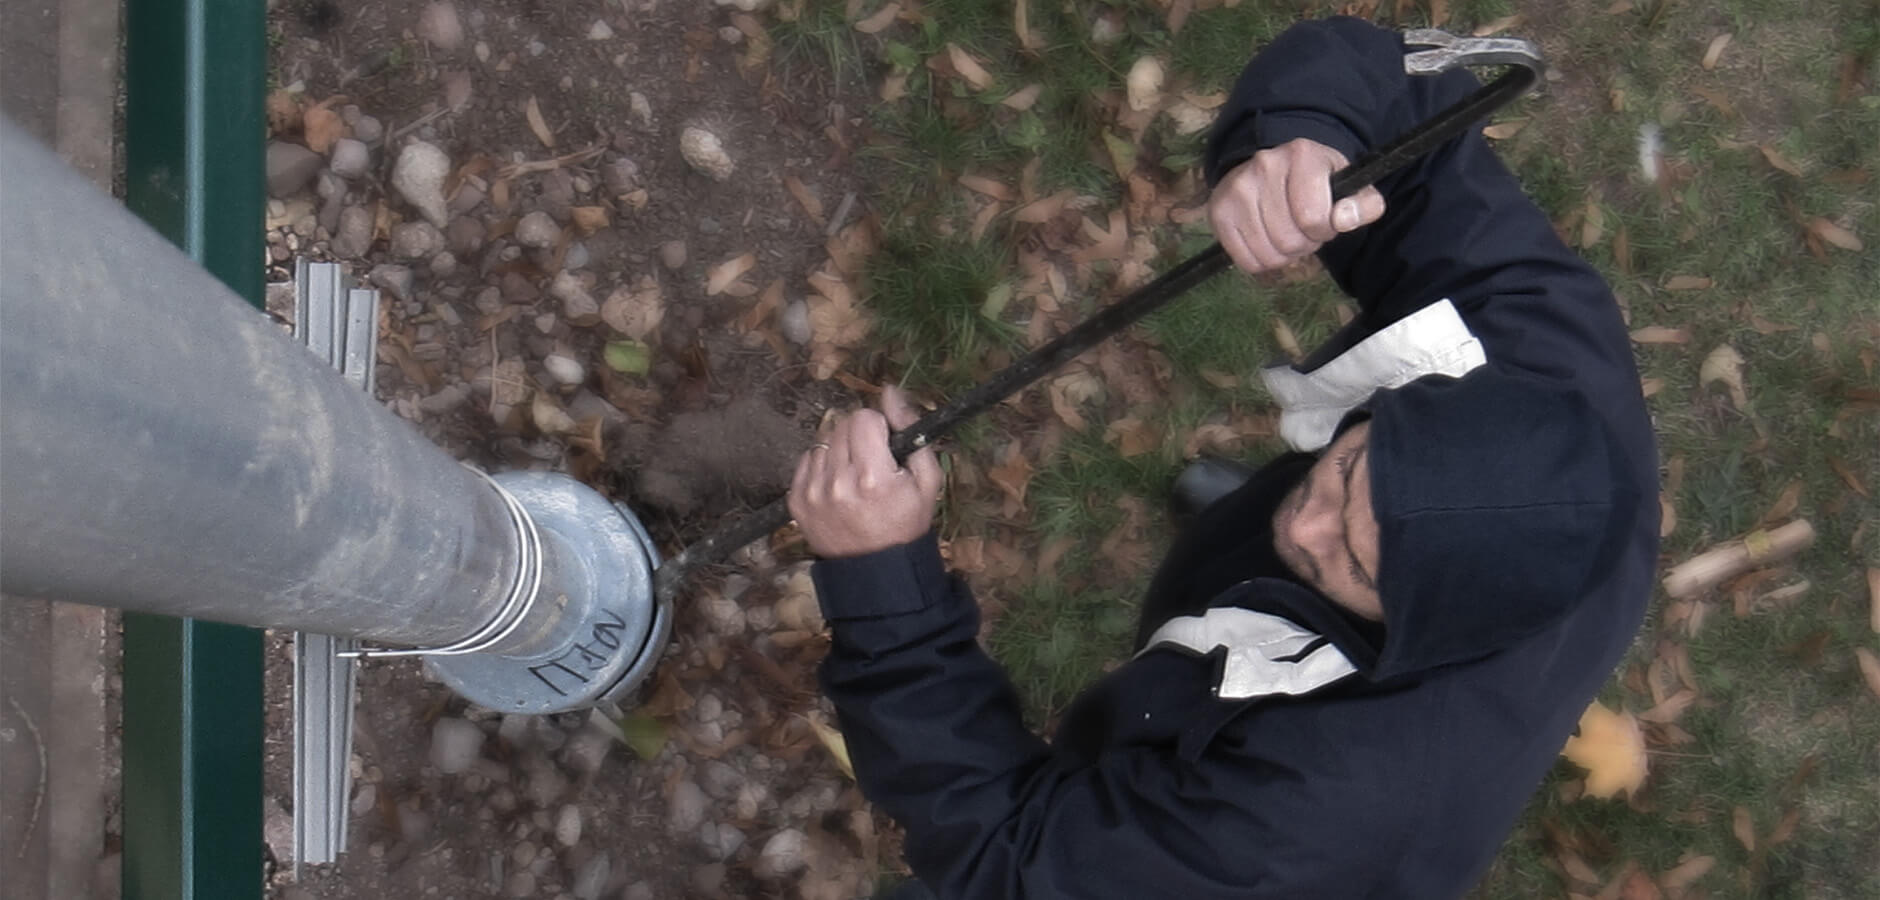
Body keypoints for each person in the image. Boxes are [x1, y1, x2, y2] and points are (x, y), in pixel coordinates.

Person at [786, 17, 1658, 899]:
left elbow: (1014, 861)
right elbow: (1401, 97)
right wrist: (1305, 141)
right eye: (1353, 466)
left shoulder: (1313, 817)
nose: (1306, 524)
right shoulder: (1545, 359)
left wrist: (886, 594)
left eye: (1354, 560)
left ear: (1421, 632)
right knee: (1279, 532)